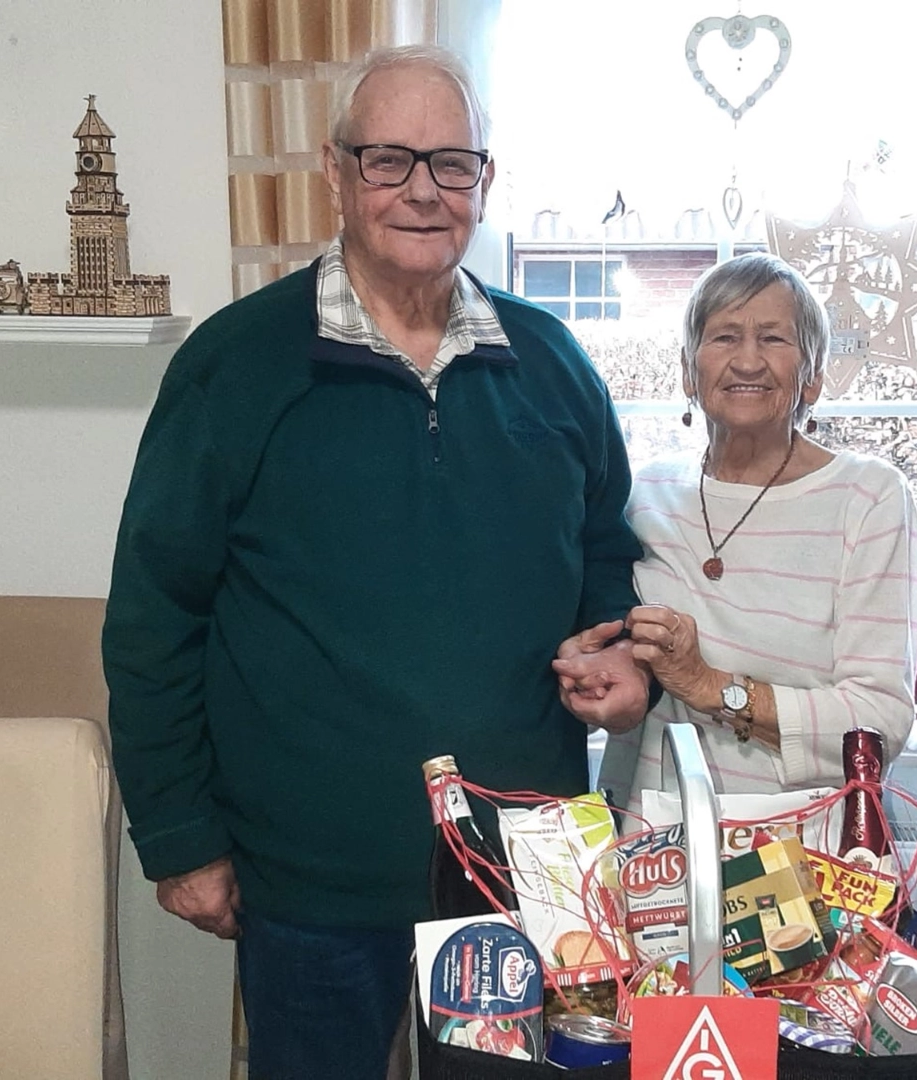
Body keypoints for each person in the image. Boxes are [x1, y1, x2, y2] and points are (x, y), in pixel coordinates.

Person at [102, 44, 650, 1080]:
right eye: (389, 159)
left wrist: (627, 661)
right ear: (336, 170)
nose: (421, 191)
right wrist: (179, 836)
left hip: (520, 873)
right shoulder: (236, 364)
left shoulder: (553, 364)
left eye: (451, 164)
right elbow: (154, 619)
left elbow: (607, 557)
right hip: (307, 880)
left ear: (485, 180)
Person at [593, 252, 917, 812]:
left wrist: (707, 685)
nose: (747, 361)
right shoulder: (644, 494)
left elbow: (881, 722)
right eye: (723, 337)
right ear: (687, 371)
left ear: (813, 376)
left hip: (803, 853)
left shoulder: (867, 498)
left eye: (774, 339)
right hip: (655, 842)